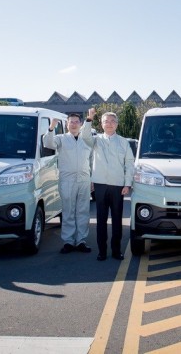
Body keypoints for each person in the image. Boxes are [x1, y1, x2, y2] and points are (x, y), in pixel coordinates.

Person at [81, 108, 134, 261]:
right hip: (100, 185)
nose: (109, 124)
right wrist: (89, 118)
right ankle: (102, 251)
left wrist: (127, 184)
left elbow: (129, 164)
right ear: (101, 124)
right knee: (101, 219)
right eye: (106, 122)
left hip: (118, 185)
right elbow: (85, 136)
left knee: (117, 219)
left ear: (116, 124)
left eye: (112, 121)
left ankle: (116, 251)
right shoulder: (96, 140)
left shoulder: (123, 142)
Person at [45, 113, 93, 254]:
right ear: (67, 124)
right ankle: (68, 241)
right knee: (68, 211)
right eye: (71, 122)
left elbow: (91, 161)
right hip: (67, 180)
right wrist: (51, 127)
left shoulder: (86, 140)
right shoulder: (61, 139)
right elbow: (48, 143)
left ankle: (81, 240)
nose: (74, 124)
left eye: (76, 122)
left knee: (83, 211)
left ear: (80, 124)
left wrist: (92, 179)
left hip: (84, 180)